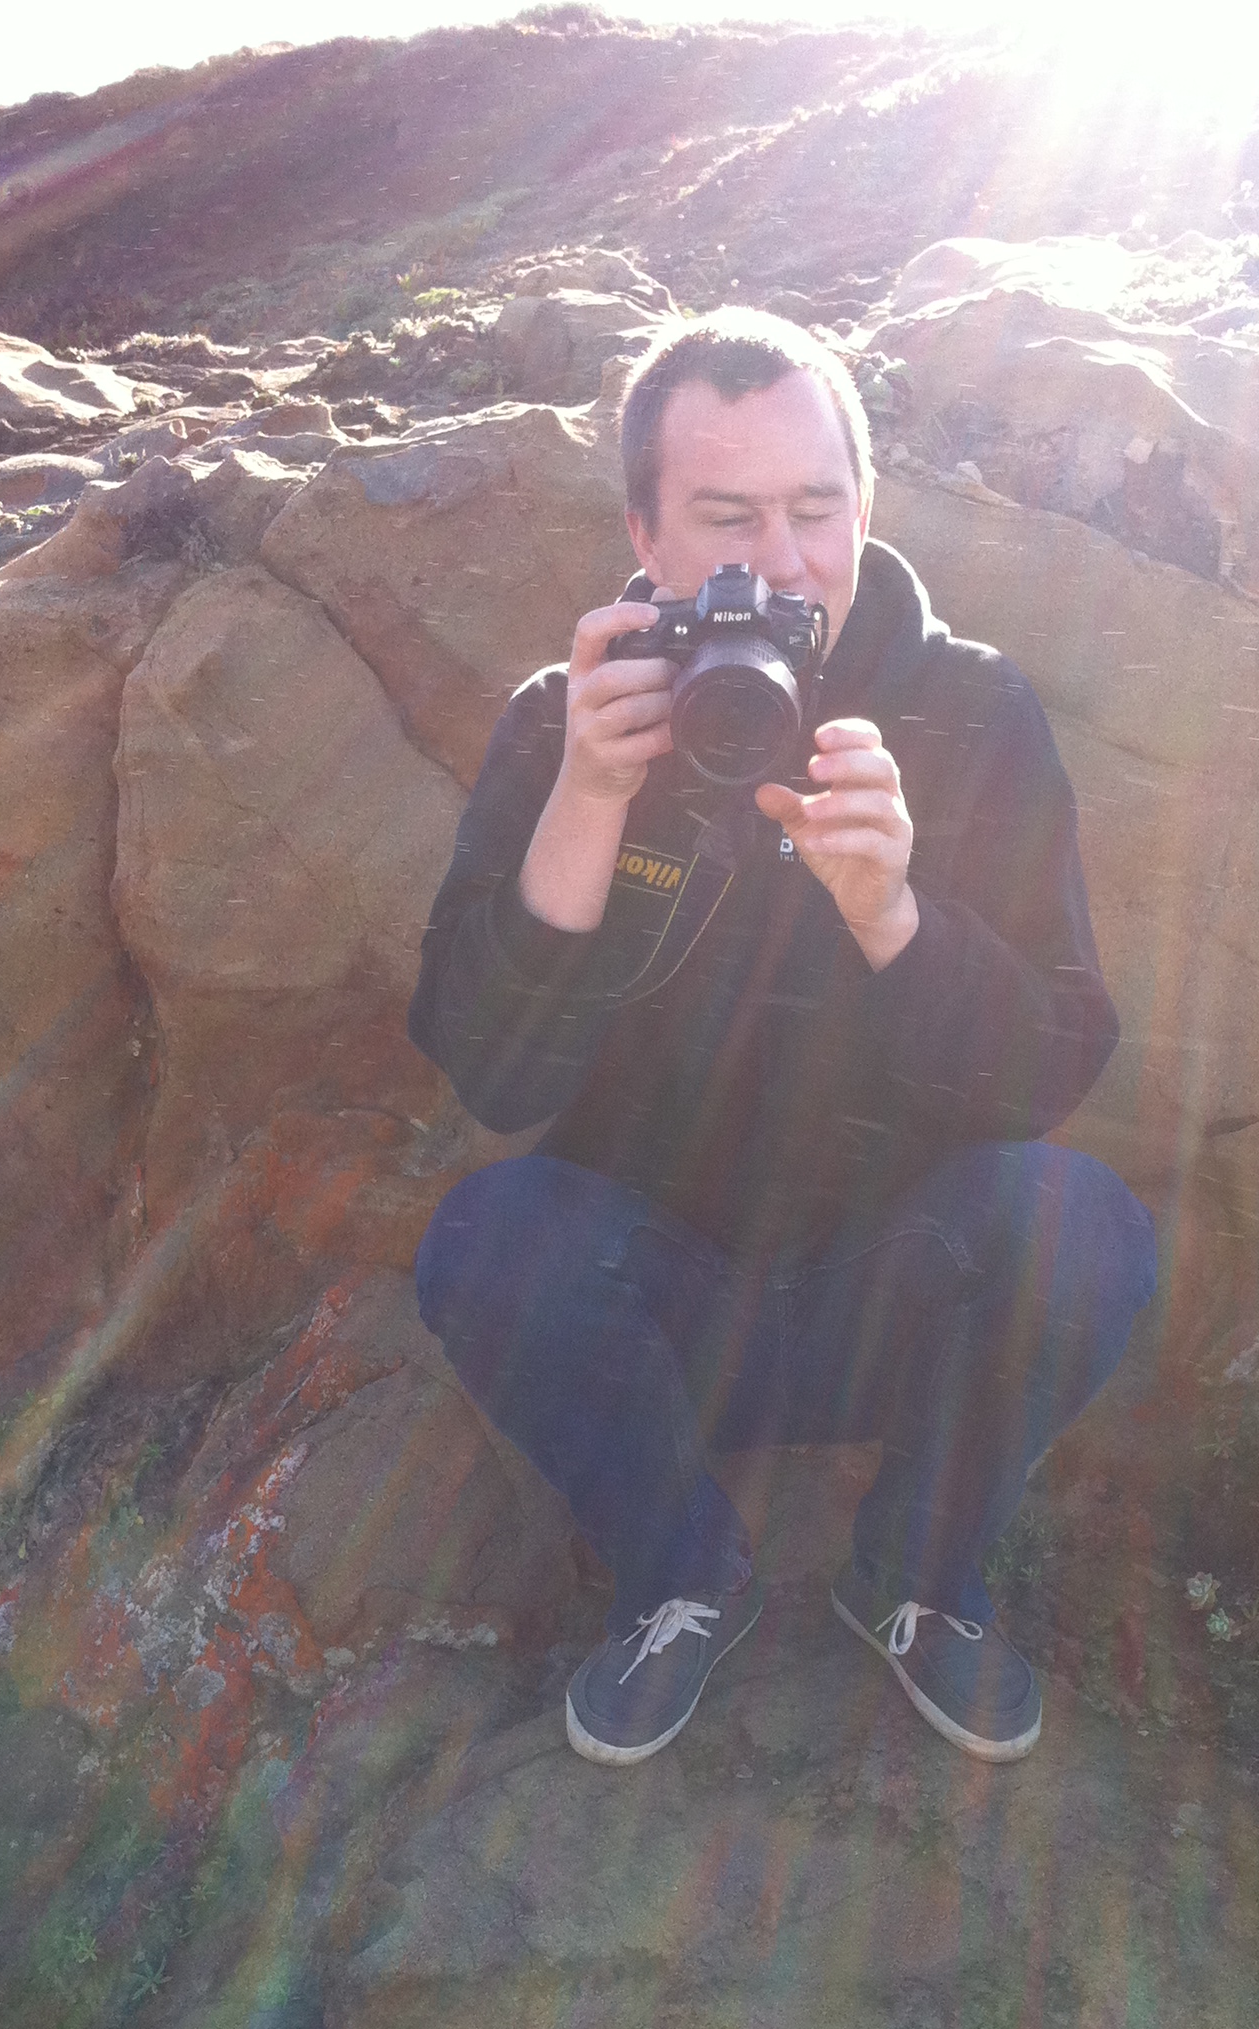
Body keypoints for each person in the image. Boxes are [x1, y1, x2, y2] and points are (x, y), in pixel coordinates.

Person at [409, 308, 1156, 1767]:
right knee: (486, 1243)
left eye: (816, 508)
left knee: (1089, 1231)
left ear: (866, 506)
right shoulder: (569, 725)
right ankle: (683, 1571)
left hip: (898, 1294)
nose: (785, 560)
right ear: (644, 532)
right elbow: (494, 1080)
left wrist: (895, 918)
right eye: (727, 518)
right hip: (664, 1315)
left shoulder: (971, 712)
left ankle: (916, 1574)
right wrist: (586, 803)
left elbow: (1057, 1066)